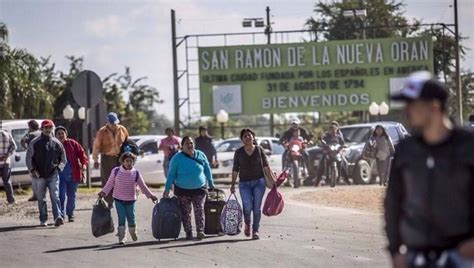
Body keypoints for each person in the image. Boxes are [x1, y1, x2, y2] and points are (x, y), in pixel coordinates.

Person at [385, 71, 474, 268]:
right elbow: (393, 201)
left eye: (413, 105)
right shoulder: (405, 150)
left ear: (434, 106)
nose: (407, 111)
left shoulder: (468, 145)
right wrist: (395, 250)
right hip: (415, 258)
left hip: (463, 259)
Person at [99, 152, 158, 244]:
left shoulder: (136, 173)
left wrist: (151, 196)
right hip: (118, 199)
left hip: (131, 200)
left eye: (131, 161)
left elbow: (143, 186)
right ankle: (122, 238)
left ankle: (133, 232)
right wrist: (103, 192)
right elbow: (110, 183)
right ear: (122, 162)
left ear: (133, 162)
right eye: (127, 161)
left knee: (131, 218)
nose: (129, 163)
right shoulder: (116, 171)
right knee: (121, 218)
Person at [163, 136, 215, 241]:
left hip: (199, 188)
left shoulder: (200, 155)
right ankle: (188, 231)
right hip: (182, 189)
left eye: (191, 143)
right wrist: (167, 188)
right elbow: (171, 174)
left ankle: (200, 231)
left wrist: (211, 183)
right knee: (186, 212)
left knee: (199, 209)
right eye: (187, 143)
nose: (190, 145)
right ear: (182, 146)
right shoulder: (177, 158)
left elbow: (207, 169)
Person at [230, 128, 270, 240]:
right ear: (242, 139)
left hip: (259, 182)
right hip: (244, 184)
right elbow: (235, 169)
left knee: (256, 208)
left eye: (249, 135)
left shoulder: (259, 150)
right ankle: (247, 223)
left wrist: (273, 181)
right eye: (245, 136)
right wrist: (232, 184)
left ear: (253, 137)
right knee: (247, 207)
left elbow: (266, 167)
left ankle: (255, 230)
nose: (247, 137)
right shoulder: (238, 152)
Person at [26, 119, 67, 227]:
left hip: (53, 174)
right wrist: (32, 170)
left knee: (55, 196)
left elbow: (63, 159)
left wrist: (58, 169)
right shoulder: (34, 142)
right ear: (41, 129)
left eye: (50, 127)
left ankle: (58, 217)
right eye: (46, 127)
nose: (48, 129)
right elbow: (29, 158)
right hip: (39, 176)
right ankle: (43, 219)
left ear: (52, 128)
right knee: (41, 198)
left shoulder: (57, 143)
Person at [92, 112, 129, 208]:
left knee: (121, 179)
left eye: (115, 123)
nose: (114, 125)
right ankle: (109, 201)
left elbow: (127, 142)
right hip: (107, 158)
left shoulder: (122, 129)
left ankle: (121, 199)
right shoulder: (102, 132)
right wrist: (95, 160)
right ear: (107, 122)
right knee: (107, 180)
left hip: (120, 158)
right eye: (112, 123)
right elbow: (96, 146)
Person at [55, 126, 88, 222]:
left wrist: (84, 165)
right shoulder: (53, 144)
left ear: (66, 134)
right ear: (55, 135)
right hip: (60, 176)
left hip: (73, 174)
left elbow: (82, 155)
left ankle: (70, 213)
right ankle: (61, 214)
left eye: (62, 133)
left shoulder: (73, 143)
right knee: (61, 195)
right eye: (58, 134)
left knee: (71, 195)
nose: (61, 135)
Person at [21, 120, 41, 202]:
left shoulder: (30, 134)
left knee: (34, 177)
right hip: (43, 158)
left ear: (30, 126)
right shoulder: (41, 132)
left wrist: (26, 148)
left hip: (33, 158)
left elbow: (22, 141)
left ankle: (35, 195)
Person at [0, 129, 17, 204]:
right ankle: (11, 200)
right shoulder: (7, 134)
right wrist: (7, 156)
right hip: (6, 162)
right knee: (7, 181)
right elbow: (14, 147)